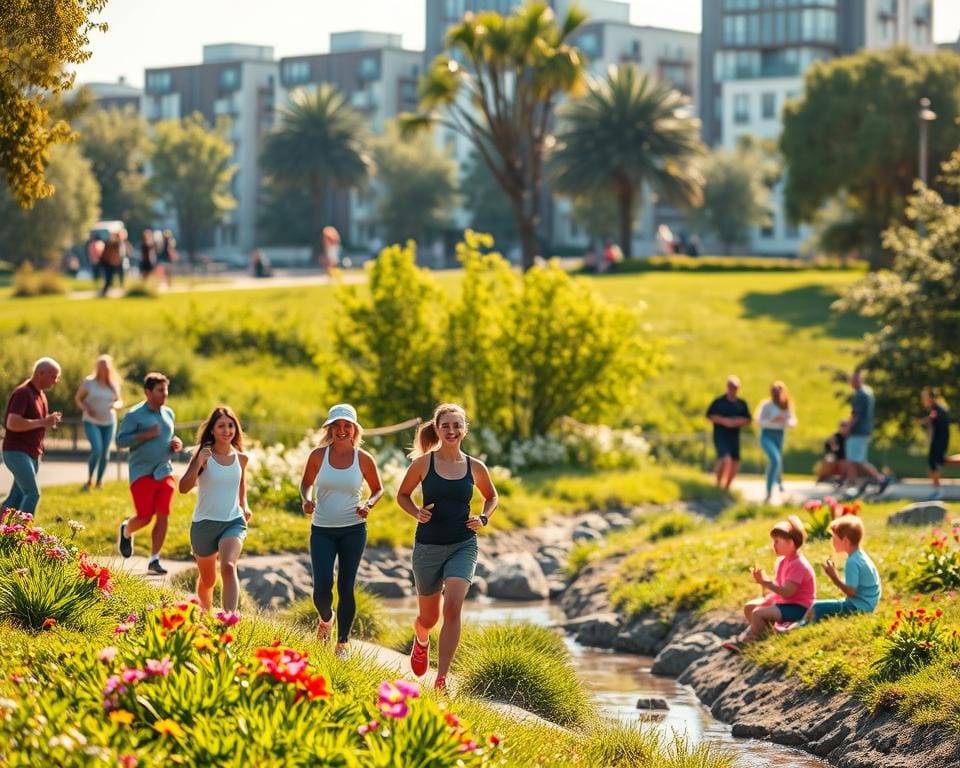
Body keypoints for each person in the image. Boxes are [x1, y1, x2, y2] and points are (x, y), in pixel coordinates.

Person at [396, 403, 499, 692]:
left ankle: (441, 679)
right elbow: (402, 495)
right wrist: (416, 512)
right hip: (428, 546)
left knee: (453, 606)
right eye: (446, 426)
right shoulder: (423, 464)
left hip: (462, 544)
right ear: (437, 429)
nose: (452, 430)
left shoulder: (475, 466)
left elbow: (491, 497)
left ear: (464, 429)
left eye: (457, 425)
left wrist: (483, 517)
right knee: (429, 618)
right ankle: (421, 638)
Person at [299, 404, 383, 658]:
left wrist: (368, 503)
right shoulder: (318, 455)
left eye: (347, 426)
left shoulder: (363, 458)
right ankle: (326, 620)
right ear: (330, 429)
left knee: (346, 586)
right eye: (336, 426)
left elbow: (378, 489)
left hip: (353, 530)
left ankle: (342, 644)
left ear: (354, 429)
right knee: (322, 587)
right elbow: (306, 484)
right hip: (322, 529)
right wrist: (306, 499)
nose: (342, 430)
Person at [178, 406, 252, 613]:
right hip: (204, 525)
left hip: (233, 522)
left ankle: (229, 622)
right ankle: (204, 615)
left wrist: (244, 505)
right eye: (221, 426)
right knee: (208, 580)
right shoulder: (203, 456)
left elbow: (240, 483)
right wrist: (199, 461)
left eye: (231, 426)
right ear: (212, 430)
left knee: (228, 566)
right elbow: (183, 488)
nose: (227, 430)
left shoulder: (241, 459)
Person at [116, 372, 182, 575]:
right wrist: (145, 435)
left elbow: (168, 437)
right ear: (147, 392)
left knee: (163, 514)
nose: (165, 394)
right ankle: (127, 530)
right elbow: (120, 442)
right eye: (160, 390)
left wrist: (175, 443)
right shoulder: (134, 415)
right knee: (145, 517)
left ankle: (154, 559)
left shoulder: (169, 413)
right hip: (141, 473)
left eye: (166, 390)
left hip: (164, 471)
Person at [722, 515, 816, 652]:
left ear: (790, 543)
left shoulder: (798, 564)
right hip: (784, 603)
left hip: (799, 607)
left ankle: (748, 642)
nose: (773, 546)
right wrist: (763, 583)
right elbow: (777, 588)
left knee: (758, 613)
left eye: (777, 541)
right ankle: (766, 633)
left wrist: (766, 582)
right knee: (750, 607)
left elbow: (788, 591)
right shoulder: (782, 561)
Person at [1, 358, 62, 516]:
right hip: (16, 452)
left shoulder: (40, 395)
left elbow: (36, 422)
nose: (55, 381)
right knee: (32, 494)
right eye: (53, 376)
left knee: (14, 499)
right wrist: (43, 421)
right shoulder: (22, 393)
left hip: (32, 452)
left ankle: (5, 533)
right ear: (40, 373)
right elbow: (12, 423)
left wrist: (48, 421)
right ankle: (24, 537)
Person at [806, 516, 881, 622]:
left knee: (816, 607)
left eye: (834, 537)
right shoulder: (860, 555)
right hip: (867, 604)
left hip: (858, 607)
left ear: (845, 541)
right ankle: (800, 624)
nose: (832, 541)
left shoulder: (852, 562)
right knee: (824, 607)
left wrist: (834, 577)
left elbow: (851, 592)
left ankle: (799, 627)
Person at [75, 354, 123, 491]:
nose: (103, 369)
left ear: (109, 368)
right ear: (97, 367)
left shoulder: (113, 384)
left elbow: (119, 400)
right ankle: (90, 479)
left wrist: (116, 406)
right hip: (91, 421)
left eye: (105, 366)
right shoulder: (89, 382)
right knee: (97, 450)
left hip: (109, 421)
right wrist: (86, 408)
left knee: (105, 454)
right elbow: (78, 398)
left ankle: (99, 481)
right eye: (100, 366)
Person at [842, 369, 891, 499]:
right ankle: (855, 485)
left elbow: (855, 415)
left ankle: (876, 480)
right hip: (865, 430)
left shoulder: (860, 394)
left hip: (858, 431)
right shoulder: (868, 392)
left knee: (855, 460)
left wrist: (847, 428)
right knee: (856, 459)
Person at [754, 380, 797, 503]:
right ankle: (770, 491)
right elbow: (758, 422)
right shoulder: (766, 405)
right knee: (775, 459)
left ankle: (779, 485)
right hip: (767, 435)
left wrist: (786, 421)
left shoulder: (786, 405)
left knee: (776, 463)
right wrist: (773, 419)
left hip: (780, 435)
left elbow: (793, 422)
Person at [706, 376, 751, 491]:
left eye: (735, 387)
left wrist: (735, 422)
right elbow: (709, 416)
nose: (733, 389)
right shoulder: (719, 402)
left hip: (734, 437)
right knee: (725, 459)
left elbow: (747, 420)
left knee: (735, 462)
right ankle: (718, 484)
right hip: (720, 435)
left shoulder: (741, 403)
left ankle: (727, 488)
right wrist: (723, 421)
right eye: (731, 387)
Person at [919, 388, 951, 500]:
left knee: (935, 462)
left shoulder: (938, 409)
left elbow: (936, 424)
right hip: (939, 440)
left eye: (925, 398)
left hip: (940, 440)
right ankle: (937, 490)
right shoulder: (936, 409)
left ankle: (938, 491)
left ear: (931, 398)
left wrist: (927, 421)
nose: (923, 401)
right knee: (935, 462)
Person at [816, 422, 848, 486]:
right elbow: (832, 449)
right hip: (835, 457)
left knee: (844, 462)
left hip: (844, 458)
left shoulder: (849, 438)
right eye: (842, 427)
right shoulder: (835, 437)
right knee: (829, 459)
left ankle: (843, 478)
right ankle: (823, 477)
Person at [100, 232, 122, 296]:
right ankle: (105, 291)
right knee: (108, 278)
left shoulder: (115, 244)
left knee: (109, 278)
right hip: (108, 263)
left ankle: (106, 291)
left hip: (112, 263)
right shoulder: (110, 243)